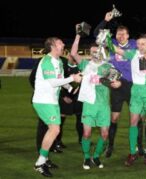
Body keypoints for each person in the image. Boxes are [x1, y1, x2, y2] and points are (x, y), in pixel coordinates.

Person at [94, 11, 145, 158]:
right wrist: (105, 20)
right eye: (118, 33)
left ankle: (139, 146)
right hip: (116, 84)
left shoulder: (135, 44)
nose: (120, 36)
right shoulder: (112, 43)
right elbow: (97, 34)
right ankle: (110, 146)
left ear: (128, 36)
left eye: (123, 34)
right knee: (114, 118)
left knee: (136, 117)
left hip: (132, 86)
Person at [71, 26, 121, 170]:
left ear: (102, 52)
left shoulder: (107, 67)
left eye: (97, 51)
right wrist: (78, 35)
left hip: (104, 105)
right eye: (92, 52)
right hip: (89, 104)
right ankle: (87, 157)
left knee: (104, 134)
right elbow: (73, 53)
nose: (95, 54)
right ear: (90, 53)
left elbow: (116, 83)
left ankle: (96, 156)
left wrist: (117, 84)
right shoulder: (86, 65)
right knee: (86, 133)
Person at [112, 33, 146, 166]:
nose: (139, 46)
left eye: (143, 44)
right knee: (133, 121)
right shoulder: (133, 54)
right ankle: (132, 153)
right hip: (136, 91)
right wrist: (106, 39)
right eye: (138, 44)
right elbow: (116, 49)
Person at [33, 37, 82, 177]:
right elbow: (53, 82)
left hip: (52, 101)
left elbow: (60, 80)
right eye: (60, 43)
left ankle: (45, 159)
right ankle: (39, 163)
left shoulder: (59, 61)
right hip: (43, 101)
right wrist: (72, 78)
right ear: (53, 46)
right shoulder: (47, 61)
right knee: (54, 129)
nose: (63, 44)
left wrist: (71, 89)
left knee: (52, 130)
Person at [57, 55, 83, 146]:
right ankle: (58, 141)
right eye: (71, 57)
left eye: (74, 57)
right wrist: (64, 96)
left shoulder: (81, 68)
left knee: (80, 119)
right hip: (66, 97)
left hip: (78, 97)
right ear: (68, 57)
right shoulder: (63, 67)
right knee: (61, 120)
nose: (72, 58)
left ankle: (81, 140)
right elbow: (59, 81)